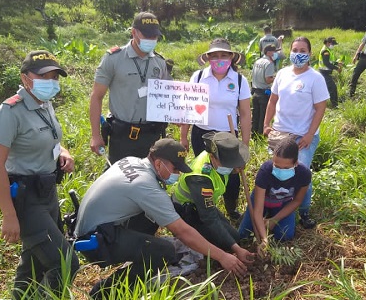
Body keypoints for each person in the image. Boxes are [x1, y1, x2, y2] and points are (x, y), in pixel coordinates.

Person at [74, 138, 253, 299]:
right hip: (96, 242)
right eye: (175, 169)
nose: (178, 174)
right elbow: (182, 232)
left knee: (158, 215)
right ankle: (104, 292)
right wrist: (223, 256)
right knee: (163, 252)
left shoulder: (132, 161)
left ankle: (138, 253)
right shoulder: (146, 186)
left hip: (96, 227)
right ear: (158, 164)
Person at [0, 50, 79, 299]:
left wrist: (64, 152)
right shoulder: (10, 111)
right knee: (65, 262)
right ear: (25, 78)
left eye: (54, 76)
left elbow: (50, 138)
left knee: (33, 266)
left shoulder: (44, 104)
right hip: (26, 199)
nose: (50, 82)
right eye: (43, 76)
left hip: (47, 193)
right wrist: (8, 214)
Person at [179, 38, 251, 220]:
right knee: (204, 172)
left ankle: (231, 209)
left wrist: (245, 143)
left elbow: (244, 113)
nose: (219, 59)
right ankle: (204, 209)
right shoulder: (198, 77)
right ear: (208, 58)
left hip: (228, 136)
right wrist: (183, 137)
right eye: (215, 55)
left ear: (231, 58)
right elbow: (189, 108)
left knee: (232, 176)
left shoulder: (240, 81)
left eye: (224, 55)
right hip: (201, 134)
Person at [263, 36, 329, 229]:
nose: (298, 54)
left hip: (302, 136)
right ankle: (274, 205)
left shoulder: (315, 78)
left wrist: (310, 134)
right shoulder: (283, 73)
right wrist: (267, 124)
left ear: (309, 53)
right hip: (280, 133)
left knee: (302, 173)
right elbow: (273, 101)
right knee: (276, 171)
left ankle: (304, 211)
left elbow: (320, 108)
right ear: (289, 52)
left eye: (302, 51)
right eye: (295, 50)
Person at [89, 12, 172, 164]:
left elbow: (168, 97)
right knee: (119, 178)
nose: (151, 40)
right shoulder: (113, 58)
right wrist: (95, 135)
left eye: (154, 36)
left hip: (151, 134)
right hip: (122, 135)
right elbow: (96, 96)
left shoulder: (159, 63)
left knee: (149, 179)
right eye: (146, 35)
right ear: (134, 32)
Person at [172, 132, 253, 260]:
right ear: (212, 157)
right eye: (228, 164)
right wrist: (236, 249)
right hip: (186, 213)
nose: (231, 167)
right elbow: (209, 217)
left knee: (234, 237)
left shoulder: (218, 158)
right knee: (223, 245)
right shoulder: (200, 178)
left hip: (204, 206)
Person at [238, 138, 311, 257]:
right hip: (262, 202)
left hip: (283, 204)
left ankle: (269, 219)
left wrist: (275, 219)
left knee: (285, 235)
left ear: (296, 163)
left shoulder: (304, 174)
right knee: (243, 234)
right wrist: (264, 239)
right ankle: (263, 222)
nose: (280, 171)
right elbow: (258, 210)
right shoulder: (265, 171)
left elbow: (297, 201)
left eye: (286, 168)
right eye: (277, 166)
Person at [251, 44, 277, 135]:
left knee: (255, 116)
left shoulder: (257, 61)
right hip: (263, 93)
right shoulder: (269, 63)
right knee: (263, 117)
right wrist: (276, 78)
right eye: (274, 51)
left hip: (255, 92)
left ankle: (253, 135)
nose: (275, 53)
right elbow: (268, 79)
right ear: (269, 52)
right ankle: (261, 136)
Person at [317, 36, 342, 107]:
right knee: (332, 88)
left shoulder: (328, 50)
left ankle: (330, 103)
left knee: (328, 88)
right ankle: (335, 105)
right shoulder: (326, 51)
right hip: (324, 73)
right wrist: (337, 68)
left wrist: (337, 63)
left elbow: (330, 61)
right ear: (328, 43)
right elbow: (326, 63)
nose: (333, 46)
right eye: (332, 44)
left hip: (325, 72)